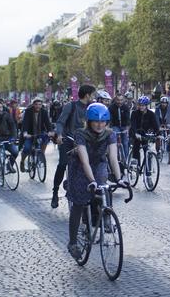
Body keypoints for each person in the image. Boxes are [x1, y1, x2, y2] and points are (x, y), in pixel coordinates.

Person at [65, 103, 124, 259]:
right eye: (96, 122)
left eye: (103, 122)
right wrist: (91, 180)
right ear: (89, 122)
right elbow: (84, 161)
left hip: (99, 164)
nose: (99, 125)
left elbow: (112, 158)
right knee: (78, 204)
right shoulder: (80, 134)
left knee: (103, 188)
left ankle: (105, 215)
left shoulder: (110, 134)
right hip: (79, 167)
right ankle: (72, 243)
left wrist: (119, 179)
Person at [52, 85, 96, 208]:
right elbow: (60, 122)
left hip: (84, 142)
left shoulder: (91, 108)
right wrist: (59, 134)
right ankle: (55, 192)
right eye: (93, 95)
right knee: (62, 164)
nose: (94, 97)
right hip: (68, 141)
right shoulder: (70, 106)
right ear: (87, 95)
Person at [129, 96, 159, 180]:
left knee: (148, 152)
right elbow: (133, 124)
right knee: (136, 144)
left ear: (147, 105)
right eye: (140, 105)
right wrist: (135, 133)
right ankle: (135, 162)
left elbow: (155, 125)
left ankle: (148, 174)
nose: (141, 107)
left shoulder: (151, 114)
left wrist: (158, 133)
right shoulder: (134, 113)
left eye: (143, 105)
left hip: (145, 134)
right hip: (136, 133)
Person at [20, 98, 54, 172]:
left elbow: (47, 123)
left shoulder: (44, 112)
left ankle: (41, 155)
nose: (38, 106)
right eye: (36, 104)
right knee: (27, 148)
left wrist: (50, 131)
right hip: (30, 133)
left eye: (40, 104)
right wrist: (25, 133)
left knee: (45, 139)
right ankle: (22, 161)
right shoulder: (28, 111)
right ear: (33, 105)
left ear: (41, 105)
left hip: (40, 132)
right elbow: (25, 123)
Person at [109, 93, 131, 161]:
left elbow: (128, 119)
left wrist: (127, 129)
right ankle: (115, 158)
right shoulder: (111, 107)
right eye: (118, 100)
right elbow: (110, 119)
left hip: (124, 126)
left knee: (125, 142)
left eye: (121, 100)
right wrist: (111, 128)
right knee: (114, 142)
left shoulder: (126, 107)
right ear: (115, 100)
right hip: (115, 126)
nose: (119, 102)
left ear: (123, 100)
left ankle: (126, 160)